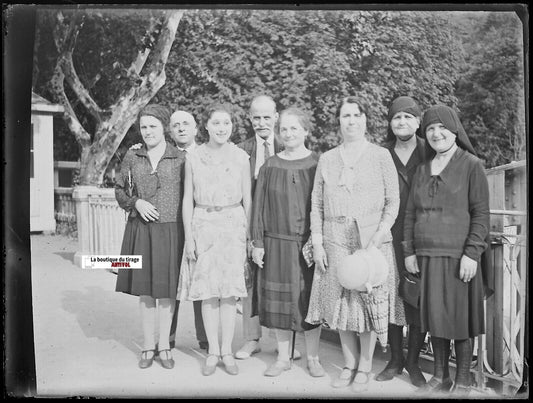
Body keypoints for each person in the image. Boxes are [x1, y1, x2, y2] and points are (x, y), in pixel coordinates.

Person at [305, 96, 400, 392]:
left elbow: (392, 200)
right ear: (339, 121)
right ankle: (348, 364)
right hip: (335, 240)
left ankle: (365, 366)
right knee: (340, 305)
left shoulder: (381, 155)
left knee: (366, 302)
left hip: (370, 241)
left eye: (357, 115)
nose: (352, 121)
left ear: (366, 119)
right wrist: (318, 243)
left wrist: (382, 231)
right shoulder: (327, 158)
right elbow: (317, 205)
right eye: (346, 116)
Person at [403, 105, 490, 396]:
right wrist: (409, 251)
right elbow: (411, 215)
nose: (436, 133)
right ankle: (440, 377)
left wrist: (472, 254)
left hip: (459, 257)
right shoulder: (421, 169)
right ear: (425, 135)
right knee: (435, 318)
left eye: (442, 127)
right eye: (430, 129)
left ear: (454, 130)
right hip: (427, 257)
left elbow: (480, 214)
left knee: (461, 320)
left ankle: (463, 380)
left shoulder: (471, 165)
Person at [176, 103, 252, 376]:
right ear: (206, 126)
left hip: (233, 225)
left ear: (232, 126)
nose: (222, 128)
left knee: (229, 294)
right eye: (216, 123)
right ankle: (212, 352)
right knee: (208, 292)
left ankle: (227, 351)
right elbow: (187, 199)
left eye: (227, 123)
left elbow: (248, 199)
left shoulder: (241, 157)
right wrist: (188, 237)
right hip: (203, 224)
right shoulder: (193, 157)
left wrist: (249, 238)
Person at [251, 107, 323, 378]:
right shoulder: (270, 165)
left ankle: (313, 358)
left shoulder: (317, 164)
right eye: (284, 129)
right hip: (276, 243)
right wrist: (257, 242)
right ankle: (283, 357)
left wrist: (320, 242)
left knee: (309, 302)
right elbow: (258, 207)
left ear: (305, 130)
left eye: (294, 128)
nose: (289, 133)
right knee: (280, 302)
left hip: (308, 244)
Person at [115, 104, 184, 370]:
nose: (148, 132)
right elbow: (119, 189)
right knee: (145, 292)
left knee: (166, 292)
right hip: (141, 229)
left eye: (153, 126)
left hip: (170, 230)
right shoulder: (133, 157)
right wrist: (136, 203)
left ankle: (164, 345)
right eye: (144, 127)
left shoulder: (180, 158)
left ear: (164, 127)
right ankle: (147, 346)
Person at [375, 96, 427, 387]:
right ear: (390, 123)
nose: (402, 122)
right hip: (388, 235)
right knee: (392, 297)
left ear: (418, 122)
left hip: (422, 235)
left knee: (417, 298)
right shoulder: (382, 154)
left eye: (408, 117)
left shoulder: (430, 151)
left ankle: (414, 363)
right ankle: (395, 359)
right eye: (396, 117)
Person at [235, 95, 287, 360]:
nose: (262, 122)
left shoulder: (288, 145)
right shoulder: (241, 151)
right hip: (251, 225)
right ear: (250, 118)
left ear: (276, 117)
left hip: (281, 226)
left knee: (280, 282)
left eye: (267, 117)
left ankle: (283, 342)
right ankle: (251, 338)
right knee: (250, 284)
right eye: (257, 117)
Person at [166, 110, 208, 352]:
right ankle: (167, 338)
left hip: (201, 224)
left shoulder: (205, 155)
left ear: (195, 128)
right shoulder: (165, 155)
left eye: (186, 124)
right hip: (173, 226)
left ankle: (205, 337)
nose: (181, 128)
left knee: (201, 279)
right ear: (170, 131)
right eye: (175, 125)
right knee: (171, 282)